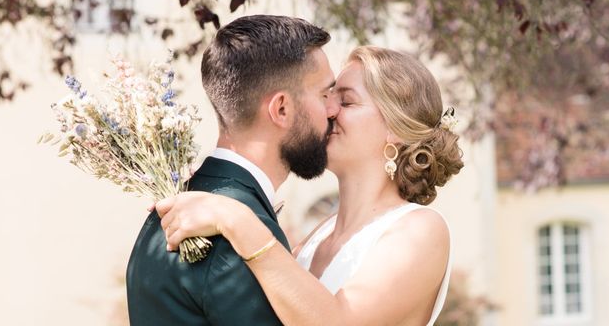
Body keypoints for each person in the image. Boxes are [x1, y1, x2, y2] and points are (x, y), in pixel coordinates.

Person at [157, 45, 465, 326]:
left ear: (396, 129)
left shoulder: (421, 229)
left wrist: (235, 219)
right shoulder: (317, 237)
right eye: (328, 97)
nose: (328, 111)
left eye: (346, 101)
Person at [126, 15, 340, 325]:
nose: (333, 109)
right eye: (324, 94)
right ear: (281, 109)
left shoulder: (179, 205)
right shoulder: (233, 236)